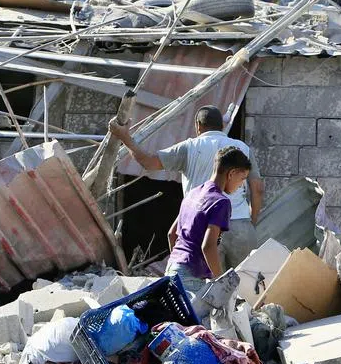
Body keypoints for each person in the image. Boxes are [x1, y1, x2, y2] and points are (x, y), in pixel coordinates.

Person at [109, 105, 264, 268]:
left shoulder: (189, 148)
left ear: (198, 126)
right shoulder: (243, 149)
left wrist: (125, 138)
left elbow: (148, 162)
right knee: (247, 288)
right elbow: (258, 189)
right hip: (241, 228)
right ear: (222, 126)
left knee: (208, 288)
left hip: (202, 230)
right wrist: (250, 223)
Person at [165, 147, 253, 316]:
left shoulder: (192, 193)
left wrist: (178, 262)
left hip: (171, 270)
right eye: (242, 178)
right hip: (190, 277)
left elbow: (171, 234)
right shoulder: (220, 202)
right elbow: (208, 246)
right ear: (231, 173)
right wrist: (221, 282)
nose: (242, 184)